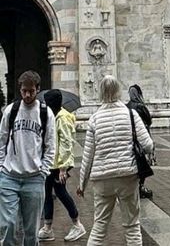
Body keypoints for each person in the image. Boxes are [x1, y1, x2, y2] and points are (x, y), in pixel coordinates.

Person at [77, 75, 153, 246]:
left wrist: (82, 183)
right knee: (132, 227)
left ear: (101, 92)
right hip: (128, 175)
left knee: (99, 227)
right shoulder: (131, 114)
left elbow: (88, 156)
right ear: (119, 91)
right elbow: (148, 145)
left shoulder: (94, 119)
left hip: (102, 179)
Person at [0, 70, 56, 246]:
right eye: (24, 91)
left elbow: (50, 145)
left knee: (31, 232)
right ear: (20, 89)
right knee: (8, 225)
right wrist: (1, 166)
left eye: (31, 91)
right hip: (9, 176)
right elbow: (1, 140)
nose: (27, 95)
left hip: (34, 179)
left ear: (37, 89)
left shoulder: (46, 114)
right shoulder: (11, 110)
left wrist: (43, 171)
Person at [38, 89, 86, 242]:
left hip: (60, 163)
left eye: (47, 102)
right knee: (47, 191)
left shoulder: (63, 118)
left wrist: (63, 168)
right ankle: (47, 227)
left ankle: (77, 224)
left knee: (60, 192)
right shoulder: (54, 115)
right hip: (52, 161)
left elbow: (66, 143)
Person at [126, 84, 153, 198]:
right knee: (143, 162)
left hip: (131, 138)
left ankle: (134, 186)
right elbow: (149, 120)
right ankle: (140, 186)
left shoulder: (126, 106)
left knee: (134, 162)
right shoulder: (141, 106)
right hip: (142, 137)